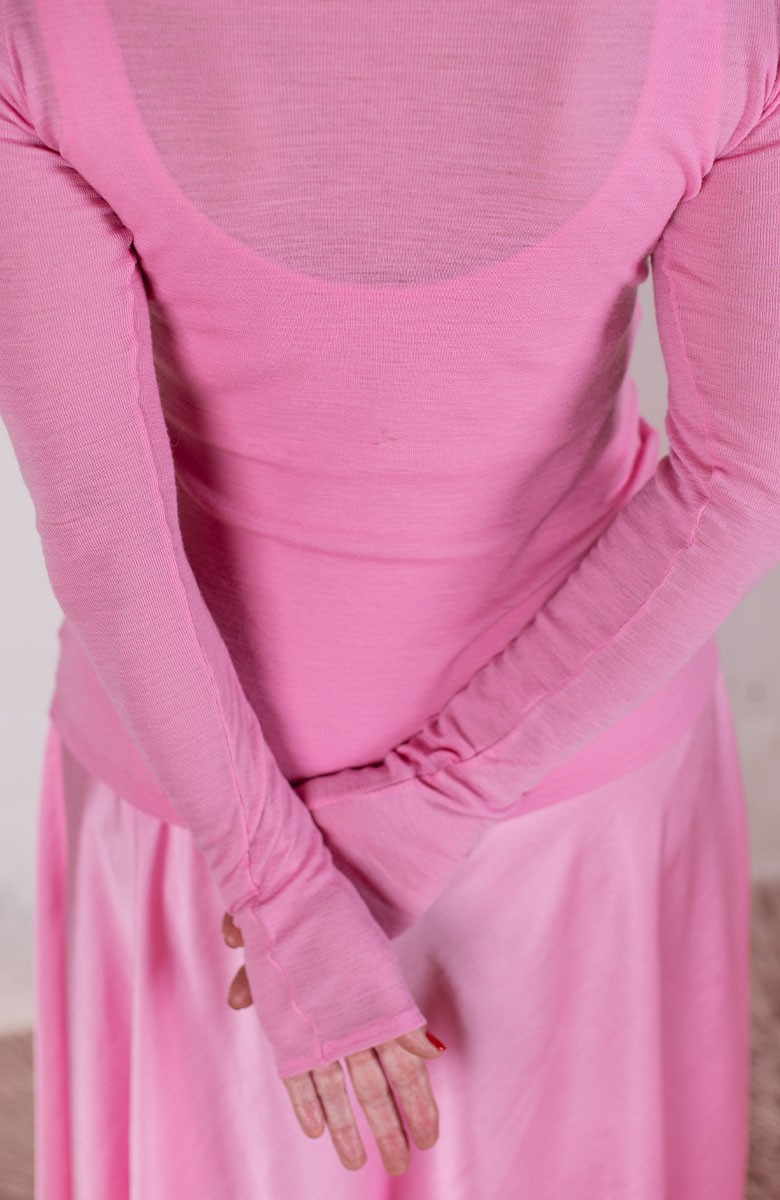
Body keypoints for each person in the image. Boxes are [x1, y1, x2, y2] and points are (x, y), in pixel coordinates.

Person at [1, 0, 778, 1195]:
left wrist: (278, 884)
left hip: (204, 802)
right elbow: (743, 482)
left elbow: (107, 527)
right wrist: (426, 806)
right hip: (568, 796)